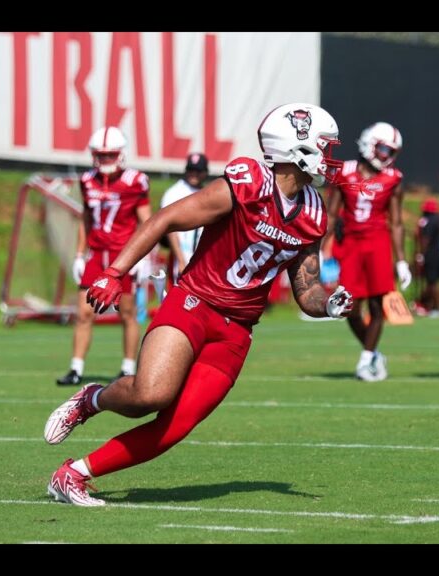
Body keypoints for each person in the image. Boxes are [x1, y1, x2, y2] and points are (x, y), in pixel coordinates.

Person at [42, 103, 355, 506]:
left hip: (236, 331)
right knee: (150, 395)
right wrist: (116, 272)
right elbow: (164, 219)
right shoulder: (246, 183)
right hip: (195, 302)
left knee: (173, 427)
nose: (330, 157)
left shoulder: (313, 213)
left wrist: (328, 304)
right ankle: (92, 400)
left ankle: (74, 475)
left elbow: (307, 287)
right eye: (324, 146)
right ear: (297, 149)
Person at [56, 127, 152, 386]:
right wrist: (79, 253)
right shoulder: (88, 180)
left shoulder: (135, 181)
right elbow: (86, 219)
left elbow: (147, 221)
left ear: (121, 155)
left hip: (124, 255)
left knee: (127, 313)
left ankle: (128, 367)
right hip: (97, 253)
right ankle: (76, 367)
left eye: (110, 155)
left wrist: (145, 256)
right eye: (101, 155)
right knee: (84, 312)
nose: (105, 160)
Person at [326, 122, 408, 381]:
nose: (387, 156)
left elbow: (396, 222)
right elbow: (330, 214)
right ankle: (373, 353)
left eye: (391, 151)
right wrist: (317, 247)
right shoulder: (345, 172)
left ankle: (365, 359)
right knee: (348, 306)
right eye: (383, 149)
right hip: (351, 243)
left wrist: (402, 260)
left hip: (378, 242)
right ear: (369, 144)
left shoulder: (393, 178)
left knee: (376, 304)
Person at [160, 153, 209, 286]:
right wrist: (181, 260)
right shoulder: (175, 193)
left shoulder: (206, 193)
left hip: (200, 258)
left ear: (205, 172)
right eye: (191, 170)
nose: (194, 174)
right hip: (181, 256)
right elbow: (170, 228)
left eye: (198, 171)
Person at [413, 199, 439, 317]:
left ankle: (437, 308)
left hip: (431, 255)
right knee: (437, 282)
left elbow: (425, 239)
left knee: (432, 283)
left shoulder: (428, 221)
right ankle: (434, 305)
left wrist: (421, 255)